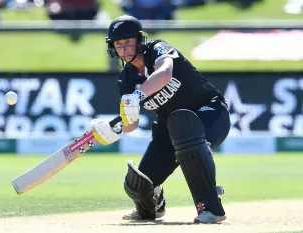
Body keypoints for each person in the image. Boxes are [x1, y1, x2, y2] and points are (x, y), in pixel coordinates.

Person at [89, 15, 230, 223]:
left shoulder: (158, 48)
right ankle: (152, 208)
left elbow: (165, 73)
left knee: (188, 136)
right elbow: (131, 123)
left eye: (128, 42)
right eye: (118, 44)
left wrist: (137, 96)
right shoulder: (126, 79)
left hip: (209, 112)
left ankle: (211, 209)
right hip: (169, 127)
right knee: (138, 183)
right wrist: (113, 130)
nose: (124, 49)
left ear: (139, 40)